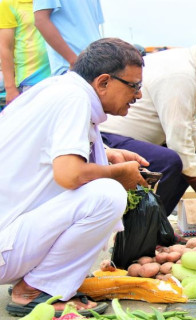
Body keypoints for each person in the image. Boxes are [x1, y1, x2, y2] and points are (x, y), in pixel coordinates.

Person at [0, 38, 148, 316]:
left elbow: (48, 151)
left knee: (100, 187)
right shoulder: (74, 99)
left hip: (9, 236)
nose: (138, 95)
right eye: (134, 85)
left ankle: (41, 279)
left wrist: (107, 153)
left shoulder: (57, 87)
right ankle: (34, 290)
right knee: (107, 194)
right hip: (5, 245)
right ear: (103, 82)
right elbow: (70, 175)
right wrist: (117, 174)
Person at [100, 30, 196, 224]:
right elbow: (178, 139)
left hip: (130, 140)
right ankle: (142, 228)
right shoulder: (181, 74)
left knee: (194, 154)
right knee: (172, 161)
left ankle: (156, 223)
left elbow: (185, 123)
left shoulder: (190, 67)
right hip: (110, 140)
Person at [0, 0, 50, 105]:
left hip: (60, 75)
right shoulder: (9, 4)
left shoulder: (54, 2)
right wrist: (10, 88)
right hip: (31, 80)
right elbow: (5, 48)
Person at [34, 0, 103, 75]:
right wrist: (74, 61)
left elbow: (93, 24)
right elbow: (41, 20)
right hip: (71, 68)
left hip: (96, 63)